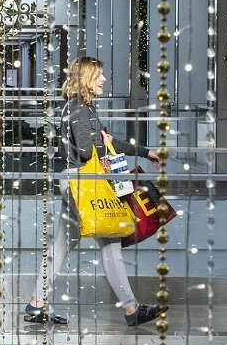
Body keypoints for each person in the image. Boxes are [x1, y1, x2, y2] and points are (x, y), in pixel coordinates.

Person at [24, 56, 165, 327]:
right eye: (99, 75)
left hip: (79, 181)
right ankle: (131, 309)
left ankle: (36, 302)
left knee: (63, 245)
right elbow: (88, 150)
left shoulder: (83, 108)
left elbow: (104, 144)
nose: (103, 80)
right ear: (86, 78)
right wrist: (102, 141)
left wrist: (145, 152)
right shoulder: (78, 109)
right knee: (110, 243)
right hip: (84, 181)